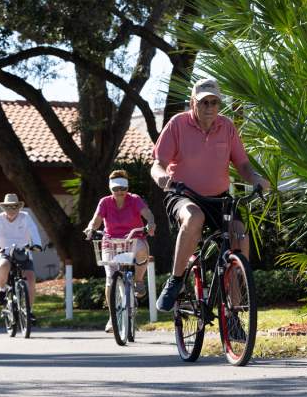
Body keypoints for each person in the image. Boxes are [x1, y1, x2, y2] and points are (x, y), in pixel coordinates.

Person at [151, 77, 270, 312]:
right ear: (192, 103)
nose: (210, 108)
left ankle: (234, 312)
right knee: (194, 218)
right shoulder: (177, 124)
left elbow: (243, 165)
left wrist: (256, 179)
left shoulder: (226, 126)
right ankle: (175, 280)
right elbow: (157, 164)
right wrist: (162, 177)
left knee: (240, 238)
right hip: (184, 195)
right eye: (204, 102)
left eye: (214, 103)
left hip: (219, 197)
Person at [84, 169, 156, 332]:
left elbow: (148, 214)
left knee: (142, 249)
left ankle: (138, 280)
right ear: (111, 189)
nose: (119, 192)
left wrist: (150, 223)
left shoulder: (135, 200)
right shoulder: (104, 202)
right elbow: (96, 221)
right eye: (116, 189)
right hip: (110, 242)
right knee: (110, 279)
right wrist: (90, 228)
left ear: (127, 188)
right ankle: (112, 318)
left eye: (123, 188)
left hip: (132, 239)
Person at [0, 193, 43, 321]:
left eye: (14, 207)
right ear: (4, 208)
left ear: (18, 207)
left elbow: (33, 230)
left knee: (30, 278)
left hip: (22, 251)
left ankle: (29, 311)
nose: (11, 210)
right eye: (8, 207)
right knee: (3, 265)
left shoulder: (25, 217)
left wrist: (37, 244)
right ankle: (1, 290)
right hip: (4, 252)